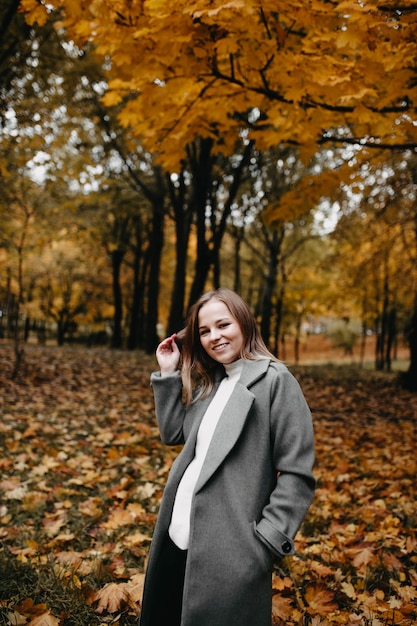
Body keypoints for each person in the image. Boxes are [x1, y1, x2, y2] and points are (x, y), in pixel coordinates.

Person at [139, 288, 315, 626]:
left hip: (232, 548)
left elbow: (297, 473)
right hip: (177, 533)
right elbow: (173, 433)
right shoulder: (212, 380)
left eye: (223, 325)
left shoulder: (276, 382)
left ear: (244, 323)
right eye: (204, 331)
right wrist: (167, 372)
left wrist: (266, 542)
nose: (214, 337)